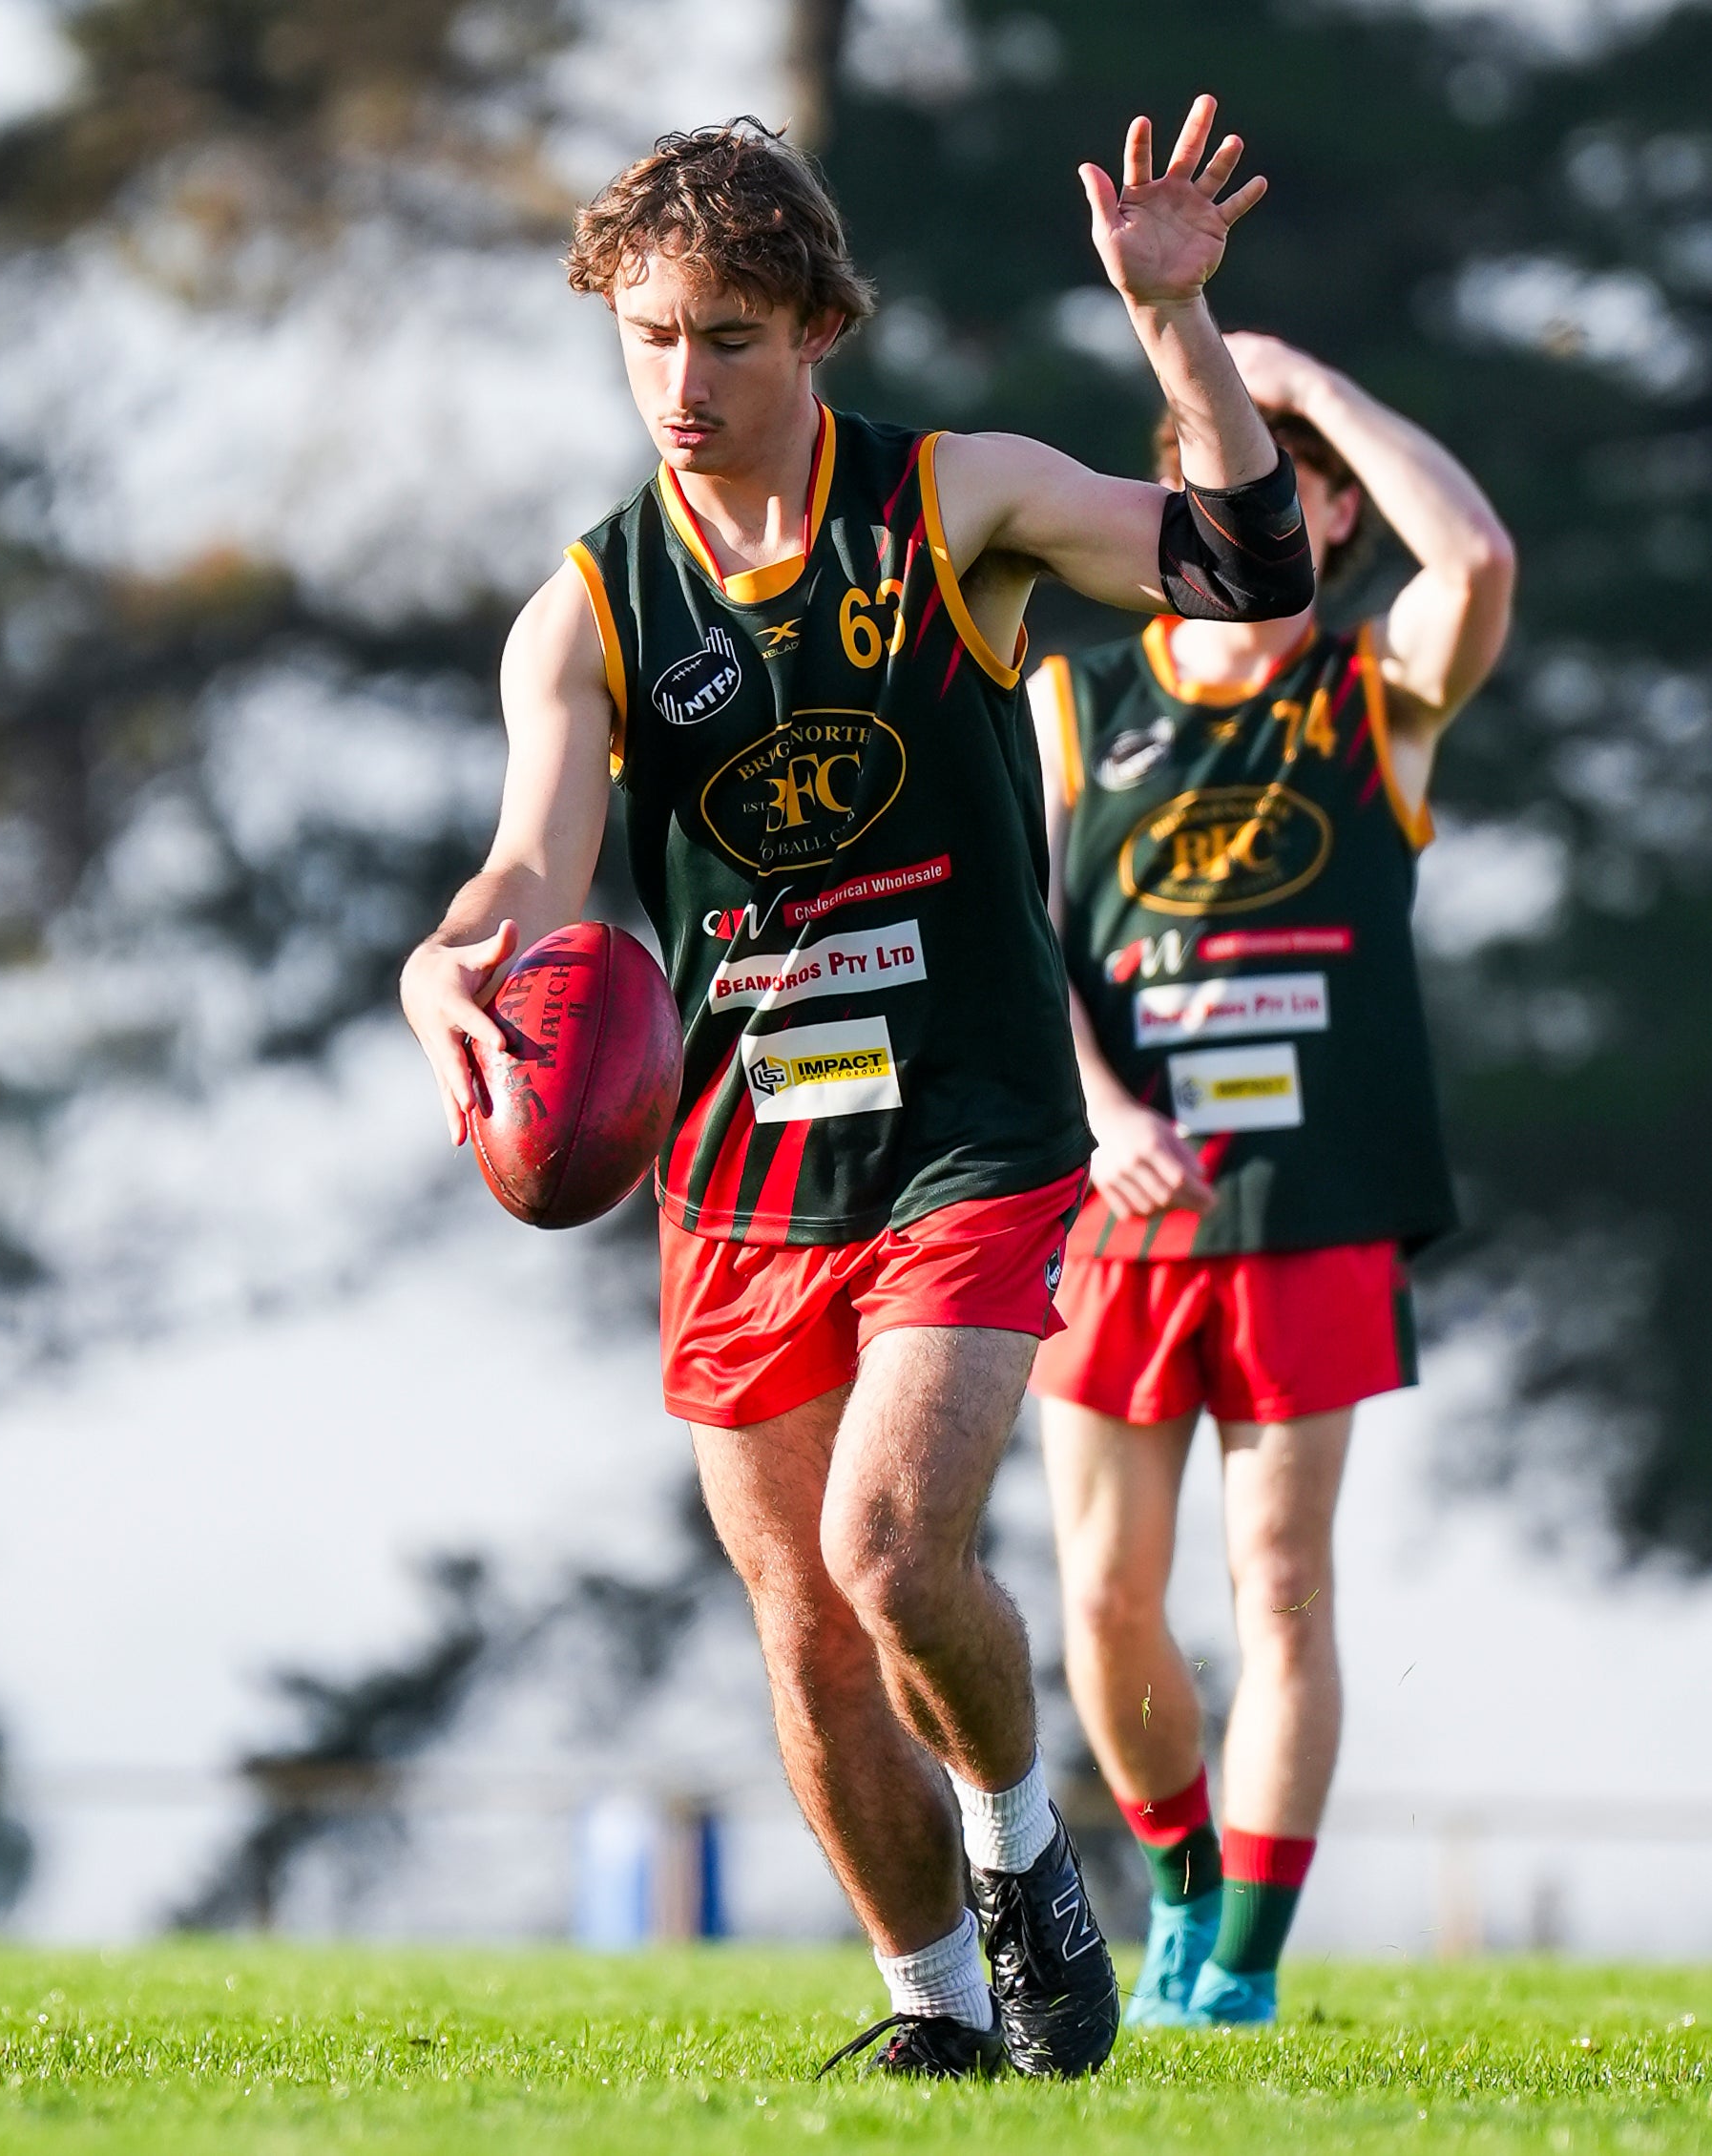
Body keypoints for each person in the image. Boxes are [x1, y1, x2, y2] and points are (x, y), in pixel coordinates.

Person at [401, 108, 1313, 2079]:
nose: (682, 380)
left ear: (814, 327)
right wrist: (444, 955)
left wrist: (1177, 333)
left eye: (725, 334)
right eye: (646, 334)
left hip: (971, 1129)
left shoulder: (952, 502)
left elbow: (1242, 568)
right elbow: (530, 872)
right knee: (809, 1634)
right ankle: (940, 2022)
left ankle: (1021, 1858)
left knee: (892, 1548)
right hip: (741, 1174)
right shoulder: (589, 611)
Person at [1027, 332, 1515, 2028]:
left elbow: (1483, 560)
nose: (1257, 493)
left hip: (1313, 1211)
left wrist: (1314, 379)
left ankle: (1237, 1972)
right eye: (1219, 467)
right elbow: (1021, 946)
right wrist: (1098, 1112)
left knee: (1283, 1585)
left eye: (1287, 471)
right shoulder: (1074, 703)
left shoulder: (1375, 694)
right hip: (1116, 1216)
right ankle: (1174, 1887)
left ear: (1331, 506)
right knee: (1101, 1587)